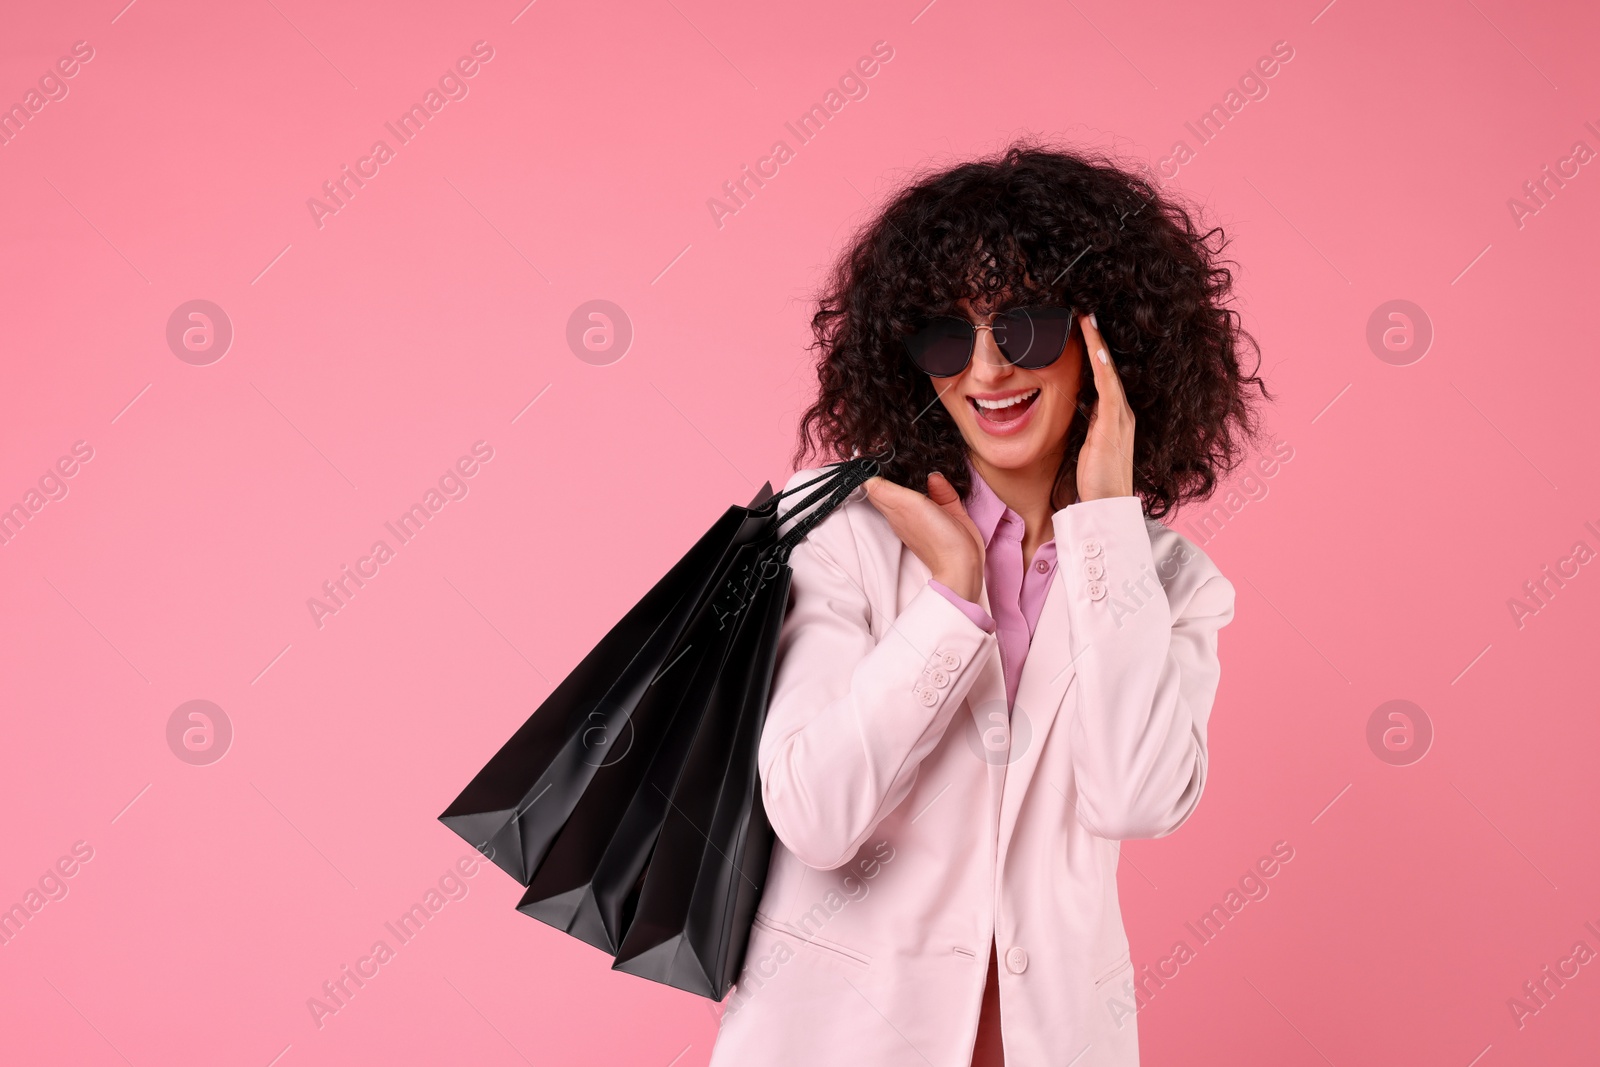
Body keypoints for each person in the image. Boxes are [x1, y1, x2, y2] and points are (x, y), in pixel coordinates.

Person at [708, 143, 1269, 1067]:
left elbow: (1136, 798)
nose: (986, 369)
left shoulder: (1170, 580)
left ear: (1105, 343)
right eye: (946, 336)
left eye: (1025, 329)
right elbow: (813, 814)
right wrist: (951, 599)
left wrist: (1106, 535)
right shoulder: (843, 539)